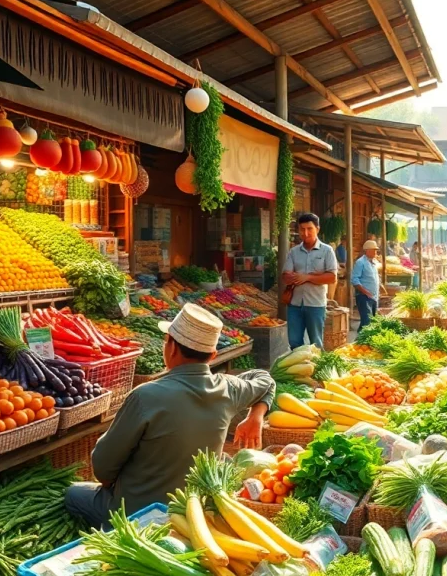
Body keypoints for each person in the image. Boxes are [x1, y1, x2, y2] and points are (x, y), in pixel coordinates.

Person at [65, 304, 274, 528]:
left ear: (171, 347)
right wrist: (256, 416)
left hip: (136, 514)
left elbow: (103, 469)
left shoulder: (145, 396)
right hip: (191, 511)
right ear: (213, 355)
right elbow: (265, 379)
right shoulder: (228, 389)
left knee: (72, 493)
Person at [283, 213, 338, 349]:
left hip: (316, 305)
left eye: (309, 229)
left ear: (317, 229)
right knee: (294, 342)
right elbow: (285, 277)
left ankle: (316, 369)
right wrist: (318, 277)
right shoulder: (293, 252)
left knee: (316, 343)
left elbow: (332, 277)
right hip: (294, 304)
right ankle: (300, 369)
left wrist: (307, 277)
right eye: (302, 229)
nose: (305, 233)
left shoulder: (327, 251)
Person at [351, 240, 382, 331]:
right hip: (364, 297)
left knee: (371, 322)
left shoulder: (373, 262)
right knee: (367, 322)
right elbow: (354, 280)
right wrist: (365, 292)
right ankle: (360, 341)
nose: (376, 252)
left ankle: (360, 341)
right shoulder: (360, 262)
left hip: (374, 297)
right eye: (374, 250)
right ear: (367, 250)